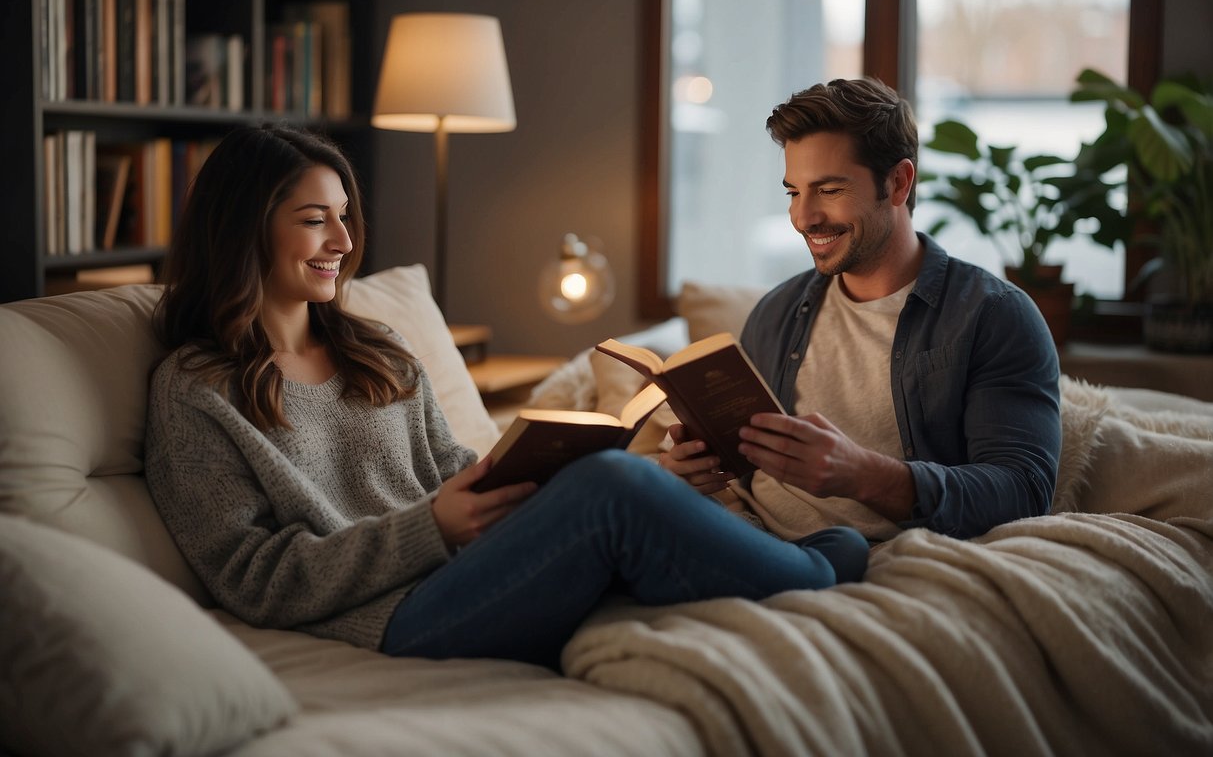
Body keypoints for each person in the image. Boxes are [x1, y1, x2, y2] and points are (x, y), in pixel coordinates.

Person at [143, 123, 869, 672]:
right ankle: (811, 572)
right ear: (245, 228)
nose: (342, 238)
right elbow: (252, 579)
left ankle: (785, 557)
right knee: (612, 485)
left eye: (342, 215)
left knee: (614, 475)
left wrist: (523, 484)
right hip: (398, 617)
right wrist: (432, 528)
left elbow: (457, 467)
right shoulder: (198, 390)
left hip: (469, 570)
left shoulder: (378, 351)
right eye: (312, 219)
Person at [660, 77, 1061, 541]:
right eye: (793, 192)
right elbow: (742, 460)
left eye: (829, 190)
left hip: (841, 556)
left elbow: (1023, 491)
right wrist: (690, 472)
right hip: (743, 531)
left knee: (608, 487)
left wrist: (862, 474)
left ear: (898, 182)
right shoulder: (778, 311)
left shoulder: (994, 317)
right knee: (614, 483)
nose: (803, 218)